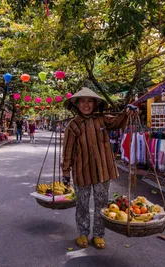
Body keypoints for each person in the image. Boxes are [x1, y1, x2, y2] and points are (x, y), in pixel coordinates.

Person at [61, 87, 135, 250]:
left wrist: (127, 111)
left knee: (102, 204)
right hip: (82, 172)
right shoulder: (73, 126)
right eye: (83, 101)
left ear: (95, 104)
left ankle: (98, 235)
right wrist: (66, 172)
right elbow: (68, 151)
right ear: (77, 104)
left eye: (89, 101)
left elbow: (119, 121)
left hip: (103, 171)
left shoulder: (103, 120)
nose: (86, 105)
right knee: (82, 204)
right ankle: (82, 233)